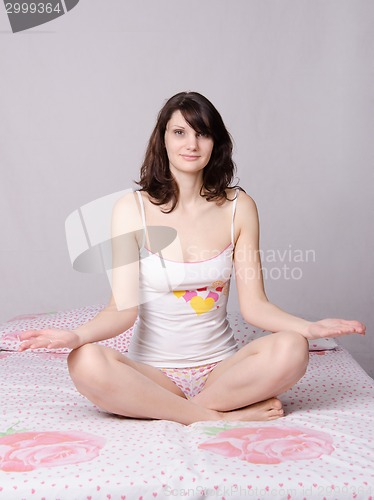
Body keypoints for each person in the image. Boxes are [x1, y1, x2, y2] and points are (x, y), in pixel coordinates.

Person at [18, 91, 366, 425]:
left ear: (215, 144)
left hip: (222, 373)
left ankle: (175, 411)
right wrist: (77, 337)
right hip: (152, 374)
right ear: (163, 139)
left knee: (293, 347)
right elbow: (121, 310)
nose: (191, 144)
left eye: (203, 134)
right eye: (180, 132)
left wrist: (309, 329)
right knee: (85, 361)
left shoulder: (239, 208)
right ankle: (219, 416)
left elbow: (256, 307)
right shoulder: (131, 210)